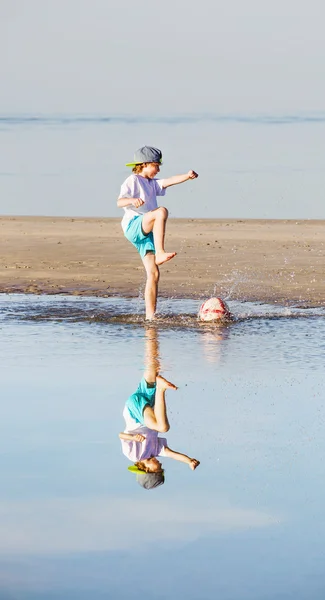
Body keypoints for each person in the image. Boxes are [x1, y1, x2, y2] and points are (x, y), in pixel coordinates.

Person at [117, 146, 198, 320]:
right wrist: (132, 200)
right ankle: (160, 252)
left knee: (153, 274)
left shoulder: (152, 184)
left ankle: (150, 317)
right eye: (156, 165)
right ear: (144, 164)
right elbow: (119, 202)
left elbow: (169, 180)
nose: (158, 169)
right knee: (161, 211)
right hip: (134, 225)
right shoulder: (133, 180)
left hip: (146, 234)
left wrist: (187, 176)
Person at [119, 327, 200, 490]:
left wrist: (134, 439)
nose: (161, 465)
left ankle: (161, 389)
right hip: (146, 404)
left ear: (147, 470)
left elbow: (121, 435)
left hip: (134, 412)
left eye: (159, 469)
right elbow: (173, 454)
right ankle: (152, 330)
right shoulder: (156, 450)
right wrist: (189, 461)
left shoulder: (134, 455)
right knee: (152, 366)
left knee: (162, 427)